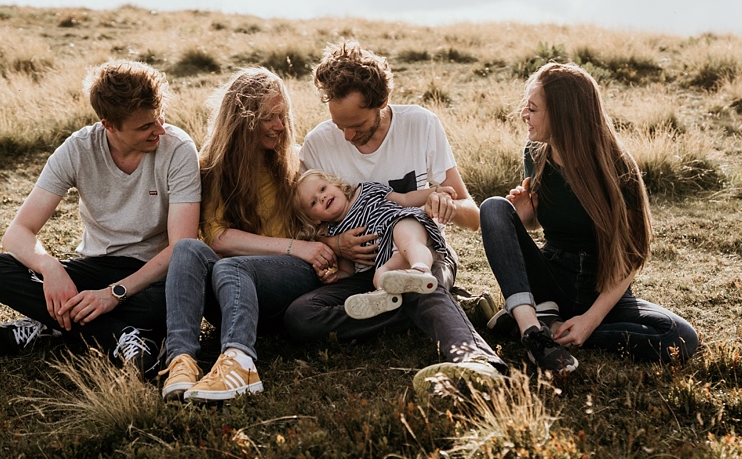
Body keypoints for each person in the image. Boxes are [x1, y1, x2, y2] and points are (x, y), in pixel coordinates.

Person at [284, 40, 510, 398]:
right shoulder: (318, 144)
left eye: (357, 125)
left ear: (382, 103)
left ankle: (477, 363)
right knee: (301, 317)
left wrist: (443, 203)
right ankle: (445, 308)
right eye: (339, 125)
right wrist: (334, 244)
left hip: (421, 255)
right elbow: (303, 223)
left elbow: (472, 214)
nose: (347, 136)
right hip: (366, 274)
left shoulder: (420, 124)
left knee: (421, 286)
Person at [0, 60, 201, 377]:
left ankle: (54, 325)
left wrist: (114, 294)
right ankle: (121, 337)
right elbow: (18, 232)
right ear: (109, 125)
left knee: (168, 304)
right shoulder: (78, 149)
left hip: (152, 274)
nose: (160, 129)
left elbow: (182, 247)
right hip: (96, 265)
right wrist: (50, 267)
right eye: (145, 127)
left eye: (160, 118)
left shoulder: (178, 149)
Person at [479, 62, 699, 375]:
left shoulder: (616, 166)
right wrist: (525, 216)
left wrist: (589, 322)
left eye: (532, 108)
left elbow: (634, 255)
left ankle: (543, 325)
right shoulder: (535, 153)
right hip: (551, 278)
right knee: (493, 207)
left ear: (562, 114)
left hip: (603, 287)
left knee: (679, 338)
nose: (524, 115)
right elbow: (544, 224)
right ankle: (533, 332)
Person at [159, 67, 331, 403]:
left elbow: (325, 213)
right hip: (231, 293)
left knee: (230, 266)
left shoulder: (292, 163)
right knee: (187, 250)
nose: (280, 126)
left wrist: (310, 248)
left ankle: (241, 364)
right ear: (242, 120)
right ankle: (181, 361)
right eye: (269, 118)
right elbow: (217, 238)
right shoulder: (210, 167)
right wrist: (298, 246)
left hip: (288, 277)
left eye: (283, 116)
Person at [295, 170, 451, 318]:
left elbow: (406, 199)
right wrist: (334, 277)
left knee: (408, 241)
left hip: (401, 222)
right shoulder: (336, 235)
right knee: (382, 274)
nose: (322, 197)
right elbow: (347, 271)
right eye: (313, 202)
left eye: (323, 189)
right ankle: (384, 296)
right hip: (389, 255)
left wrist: (435, 192)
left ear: (335, 184)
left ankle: (421, 269)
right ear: (314, 219)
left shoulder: (366, 190)